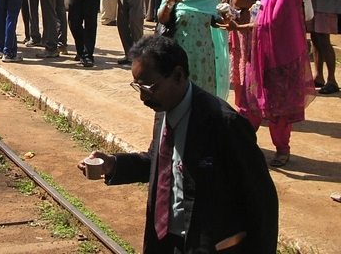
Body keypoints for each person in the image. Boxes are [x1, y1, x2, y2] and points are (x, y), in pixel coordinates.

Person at [78, 35, 278, 254]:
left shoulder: (224, 124)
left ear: (178, 75)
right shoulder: (162, 110)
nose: (143, 97)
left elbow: (262, 200)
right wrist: (114, 165)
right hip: (164, 242)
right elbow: (159, 163)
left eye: (148, 86)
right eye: (138, 86)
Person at [220, 0, 314, 168]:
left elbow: (272, 21)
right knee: (252, 100)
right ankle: (241, 141)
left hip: (282, 56)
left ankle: (282, 149)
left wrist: (240, 27)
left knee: (279, 106)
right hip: (263, 51)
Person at [158, 0, 229, 97]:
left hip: (204, 54)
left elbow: (215, 20)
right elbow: (163, 19)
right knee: (180, 89)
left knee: (202, 93)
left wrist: (226, 17)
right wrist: (169, 3)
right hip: (180, 52)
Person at [223, 0, 268, 111]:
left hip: (251, 26)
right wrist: (262, 5)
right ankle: (244, 105)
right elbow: (238, 0)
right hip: (244, 28)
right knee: (246, 63)